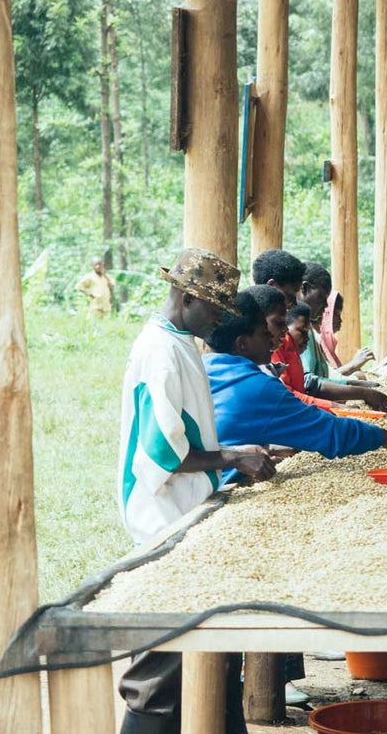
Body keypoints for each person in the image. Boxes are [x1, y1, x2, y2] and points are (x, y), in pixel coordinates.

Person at [116, 249, 274, 734]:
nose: (221, 321)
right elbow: (164, 453)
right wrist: (231, 457)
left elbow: (187, 435)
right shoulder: (161, 353)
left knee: (211, 657)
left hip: (187, 507)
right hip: (163, 513)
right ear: (186, 298)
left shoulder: (180, 341)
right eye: (215, 310)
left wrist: (231, 451)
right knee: (162, 671)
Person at [203, 290, 387, 488]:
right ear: (242, 343)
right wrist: (383, 436)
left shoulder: (204, 367)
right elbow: (328, 432)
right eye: (264, 332)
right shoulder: (256, 387)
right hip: (222, 485)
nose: (272, 337)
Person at [253, 286, 387, 412]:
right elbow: (288, 399)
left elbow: (307, 382)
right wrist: (338, 405)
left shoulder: (289, 342)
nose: (325, 306)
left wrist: (359, 390)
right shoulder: (278, 346)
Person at [319, 291, 377, 379]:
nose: (340, 320)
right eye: (336, 314)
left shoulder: (327, 345)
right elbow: (321, 380)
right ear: (325, 314)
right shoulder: (313, 341)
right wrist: (353, 365)